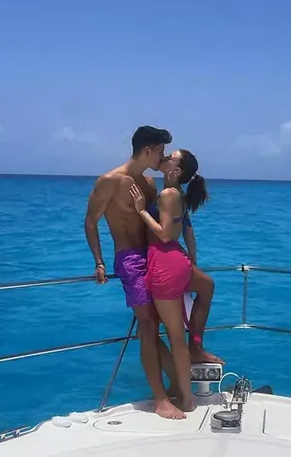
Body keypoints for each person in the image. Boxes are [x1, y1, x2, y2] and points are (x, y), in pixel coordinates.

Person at [84, 125, 187, 420]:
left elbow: (164, 222)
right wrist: (99, 262)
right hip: (130, 259)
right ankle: (160, 399)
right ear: (147, 150)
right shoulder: (110, 181)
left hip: (154, 258)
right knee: (149, 323)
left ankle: (177, 382)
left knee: (157, 324)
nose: (162, 157)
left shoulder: (150, 184)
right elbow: (91, 221)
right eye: (160, 151)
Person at [130, 148, 222, 413]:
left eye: (171, 157)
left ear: (176, 170)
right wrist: (191, 260)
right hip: (178, 260)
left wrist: (141, 211)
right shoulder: (177, 193)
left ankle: (186, 399)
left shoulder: (168, 194)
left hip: (165, 263)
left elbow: (165, 235)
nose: (166, 157)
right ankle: (194, 355)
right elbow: (187, 229)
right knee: (205, 289)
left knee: (174, 337)